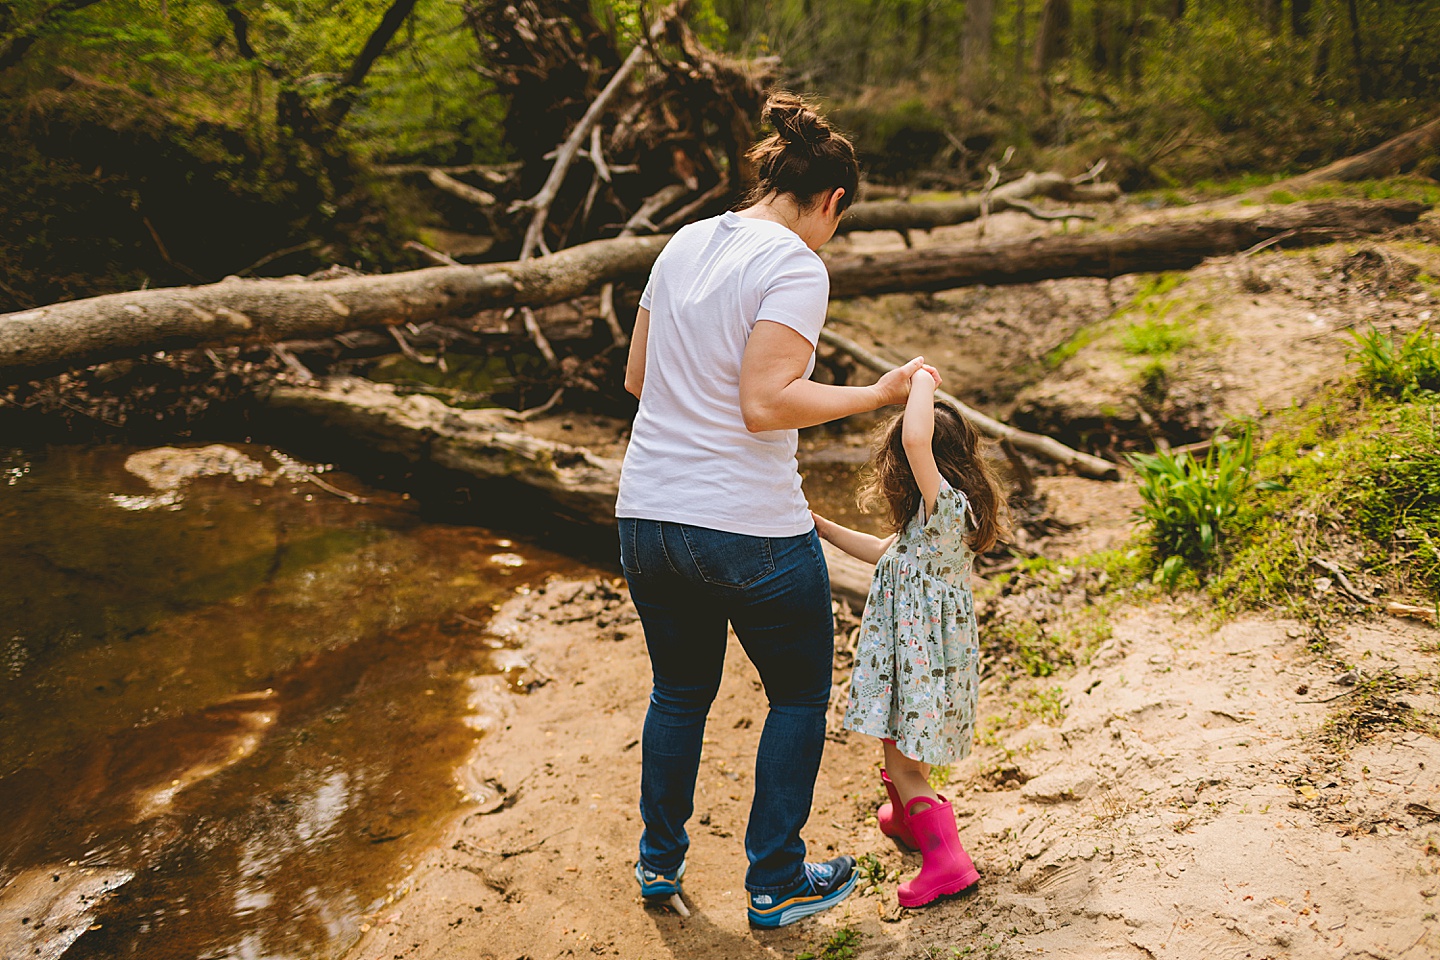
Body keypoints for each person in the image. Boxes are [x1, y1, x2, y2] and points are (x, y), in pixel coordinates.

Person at [616, 92, 938, 928]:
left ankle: (658, 866)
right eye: (839, 218)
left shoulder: (684, 243)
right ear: (831, 200)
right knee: (797, 694)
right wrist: (878, 391)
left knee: (679, 693)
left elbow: (639, 380)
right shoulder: (796, 263)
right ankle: (776, 882)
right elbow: (766, 403)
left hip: (646, 513)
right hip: (746, 524)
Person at [813, 367, 1007, 908]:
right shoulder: (939, 523)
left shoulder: (942, 504)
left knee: (903, 762)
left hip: (914, 659)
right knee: (901, 750)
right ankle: (904, 819)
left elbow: (916, 435)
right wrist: (824, 527)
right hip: (923, 662)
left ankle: (948, 863)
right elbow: (885, 551)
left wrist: (922, 379)